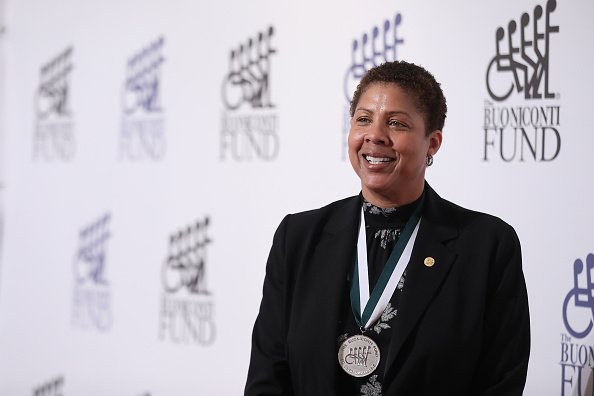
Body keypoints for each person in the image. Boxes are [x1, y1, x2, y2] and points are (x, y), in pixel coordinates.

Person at [245, 60, 530, 396]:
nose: (375, 136)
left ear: (433, 143)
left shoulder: (487, 247)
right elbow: (268, 378)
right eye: (363, 119)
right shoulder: (298, 238)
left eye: (396, 123)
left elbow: (499, 383)